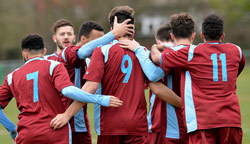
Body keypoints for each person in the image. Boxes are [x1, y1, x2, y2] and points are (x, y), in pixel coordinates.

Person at [51, 6, 181, 144]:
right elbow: (157, 88)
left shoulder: (101, 51)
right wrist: (182, 103)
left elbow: (90, 88)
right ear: (133, 31)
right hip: (137, 125)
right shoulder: (142, 53)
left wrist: (67, 115)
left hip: (109, 126)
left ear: (112, 29)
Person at [0, 34, 122, 144]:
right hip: (54, 131)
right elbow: (68, 90)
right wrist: (99, 99)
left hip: (26, 135)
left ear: (24, 54)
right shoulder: (54, 66)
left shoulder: (11, 77)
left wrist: (11, 129)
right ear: (44, 51)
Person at [151, 14, 245, 144]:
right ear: (222, 35)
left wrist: (154, 47)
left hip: (204, 121)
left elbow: (157, 59)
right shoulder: (237, 51)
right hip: (231, 119)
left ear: (202, 35)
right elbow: (235, 72)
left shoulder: (192, 53)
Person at [57, 16, 134, 143]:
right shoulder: (68, 52)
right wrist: (113, 34)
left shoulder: (91, 61)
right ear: (83, 39)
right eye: (99, 40)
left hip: (81, 122)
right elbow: (82, 52)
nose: (103, 43)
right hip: (66, 122)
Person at [147, 23, 175, 144]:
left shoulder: (151, 58)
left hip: (157, 121)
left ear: (158, 41)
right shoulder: (185, 54)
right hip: (180, 121)